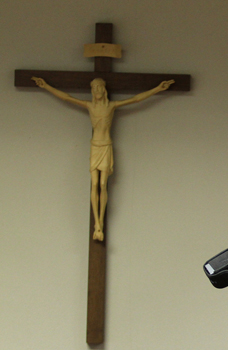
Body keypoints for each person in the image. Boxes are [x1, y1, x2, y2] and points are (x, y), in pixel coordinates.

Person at [32, 77, 174, 241]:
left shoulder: (111, 106)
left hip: (106, 146)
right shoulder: (90, 106)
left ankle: (100, 224)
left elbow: (135, 99)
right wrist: (46, 86)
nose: (97, 91)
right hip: (95, 147)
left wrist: (157, 89)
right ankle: (97, 225)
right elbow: (67, 97)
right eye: (95, 88)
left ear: (104, 90)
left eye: (100, 88)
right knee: (93, 184)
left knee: (102, 184)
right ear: (92, 91)